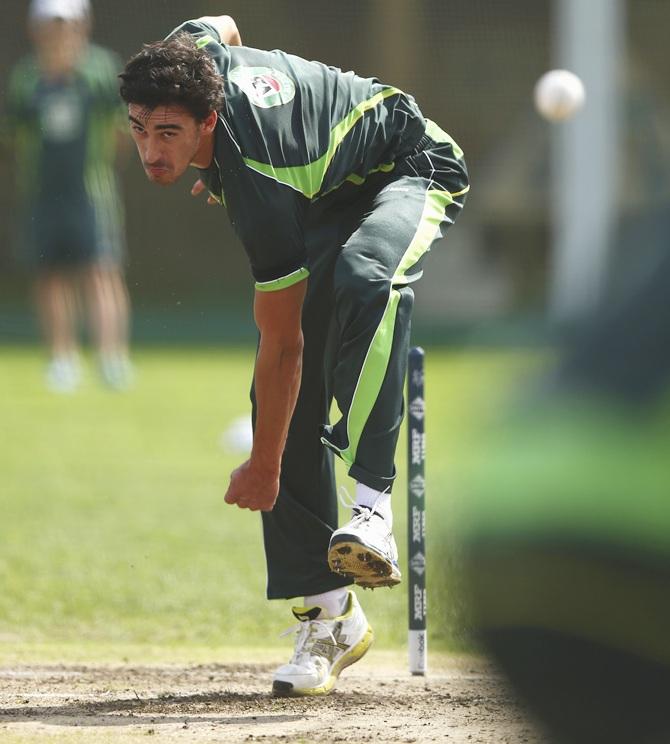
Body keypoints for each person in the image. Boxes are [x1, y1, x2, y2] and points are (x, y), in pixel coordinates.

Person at [119, 15, 469, 696]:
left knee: (367, 276)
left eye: (170, 135)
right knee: (279, 402)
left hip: (410, 164)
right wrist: (207, 157)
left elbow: (285, 345)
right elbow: (219, 22)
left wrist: (265, 466)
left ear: (209, 118)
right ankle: (330, 615)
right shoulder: (190, 57)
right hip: (325, 198)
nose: (151, 152)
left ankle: (371, 510)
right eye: (139, 129)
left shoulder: (259, 182)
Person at [5, 0, 132, 392]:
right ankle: (63, 359)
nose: (59, 33)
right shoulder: (26, 78)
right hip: (43, 194)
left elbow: (121, 130)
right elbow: (15, 135)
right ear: (37, 29)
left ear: (82, 24)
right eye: (51, 25)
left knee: (101, 270)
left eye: (66, 24)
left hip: (91, 193)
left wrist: (99, 169)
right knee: (50, 274)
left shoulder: (98, 71)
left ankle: (112, 359)